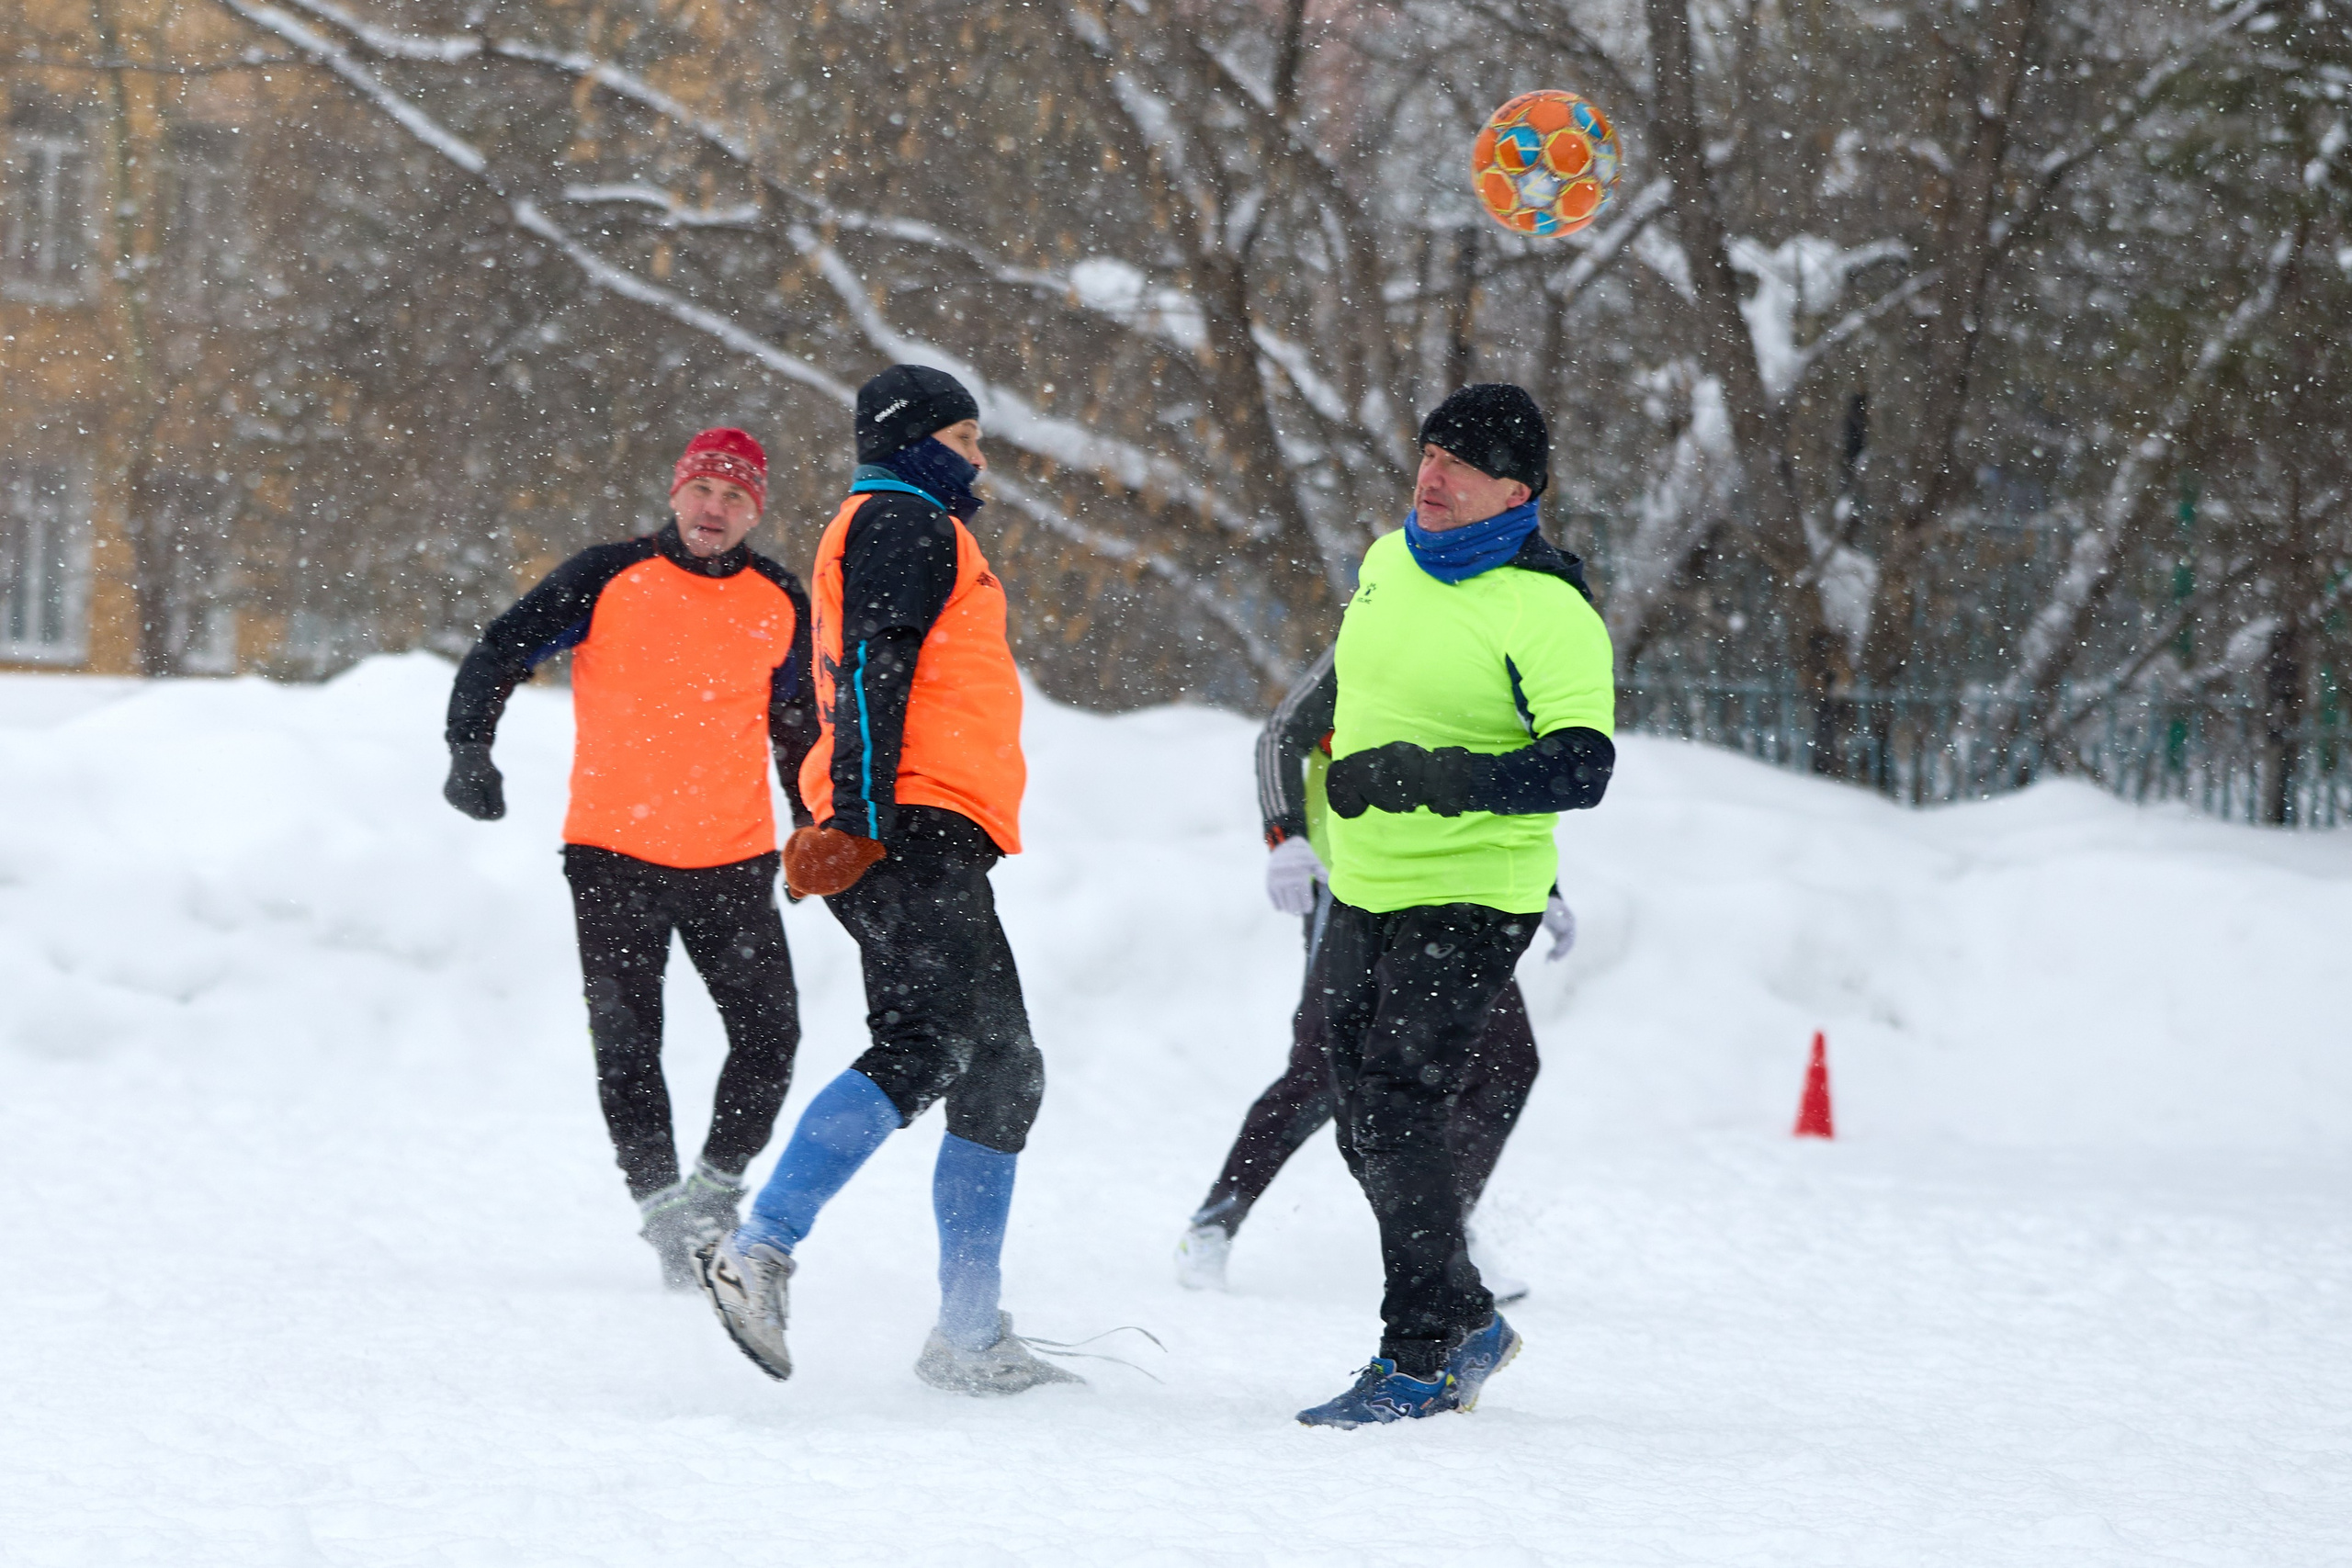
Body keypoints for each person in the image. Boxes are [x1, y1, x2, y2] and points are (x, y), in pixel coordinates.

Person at [694, 366, 1079, 1397]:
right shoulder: (904, 519)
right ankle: (764, 1248)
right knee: (955, 1049)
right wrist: (857, 820)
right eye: (966, 436)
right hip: (904, 823)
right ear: (917, 440)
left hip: (915, 822)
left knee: (985, 1062)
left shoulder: (904, 521)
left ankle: (963, 1330)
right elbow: (873, 668)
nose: (980, 457)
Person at [1293, 384, 1614, 1429]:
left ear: (1516, 492)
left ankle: (1420, 1355)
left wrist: (1430, 776)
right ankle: (1465, 1315)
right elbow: (1357, 688)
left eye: (1459, 464)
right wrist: (1325, 771)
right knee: (1360, 1115)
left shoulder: (1548, 608)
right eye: (1428, 452)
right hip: (1366, 884)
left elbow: (1579, 766)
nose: (1430, 475)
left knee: (1397, 1101)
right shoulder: (1388, 564)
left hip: (1475, 890)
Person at [442, 428, 817, 1290]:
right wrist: (470, 746)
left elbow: (798, 722)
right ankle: (661, 1213)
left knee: (771, 1035)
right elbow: (503, 647)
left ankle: (716, 1194)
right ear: (677, 493)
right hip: (615, 855)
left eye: (735, 497)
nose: (715, 510)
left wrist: (811, 825)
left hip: (733, 859)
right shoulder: (605, 576)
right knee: (627, 1042)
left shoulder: (778, 599)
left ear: (756, 510)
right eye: (703, 491)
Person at [1173, 645, 1577, 1300]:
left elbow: (1494, 780)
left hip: (1460, 893)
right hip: (1357, 888)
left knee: (1506, 1062)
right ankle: (1214, 1223)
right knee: (1322, 1072)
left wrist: (1547, 886)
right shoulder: (1379, 632)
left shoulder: (1501, 648)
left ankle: (1447, 1234)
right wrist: (1287, 835)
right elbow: (1281, 734)